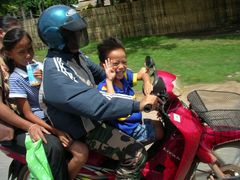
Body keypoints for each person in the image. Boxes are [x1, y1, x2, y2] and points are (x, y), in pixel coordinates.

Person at [38, 5, 160, 179]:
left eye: (79, 31)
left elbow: (106, 73)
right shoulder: (56, 70)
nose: (79, 36)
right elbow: (94, 102)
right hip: (84, 130)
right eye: (73, 33)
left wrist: (141, 77)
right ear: (57, 36)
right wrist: (137, 104)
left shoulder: (76, 56)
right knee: (136, 154)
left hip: (93, 120)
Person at [3, 27, 88, 180]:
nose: (28, 55)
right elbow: (27, 113)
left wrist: (46, 79)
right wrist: (56, 131)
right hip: (45, 122)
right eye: (21, 52)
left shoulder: (41, 66)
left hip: (58, 115)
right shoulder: (16, 79)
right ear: (10, 53)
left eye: (30, 49)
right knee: (80, 152)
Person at [0, 15, 69, 180]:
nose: (18, 35)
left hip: (33, 116)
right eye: (13, 32)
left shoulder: (25, 62)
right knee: (52, 146)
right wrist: (29, 126)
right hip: (13, 126)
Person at [97, 37, 164, 143]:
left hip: (136, 123)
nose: (121, 67)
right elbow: (113, 106)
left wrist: (147, 82)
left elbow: (142, 74)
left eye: (124, 62)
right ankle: (143, 155)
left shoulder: (124, 77)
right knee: (161, 132)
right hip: (127, 132)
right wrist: (109, 81)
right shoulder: (104, 88)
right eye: (115, 63)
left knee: (160, 123)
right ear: (103, 66)